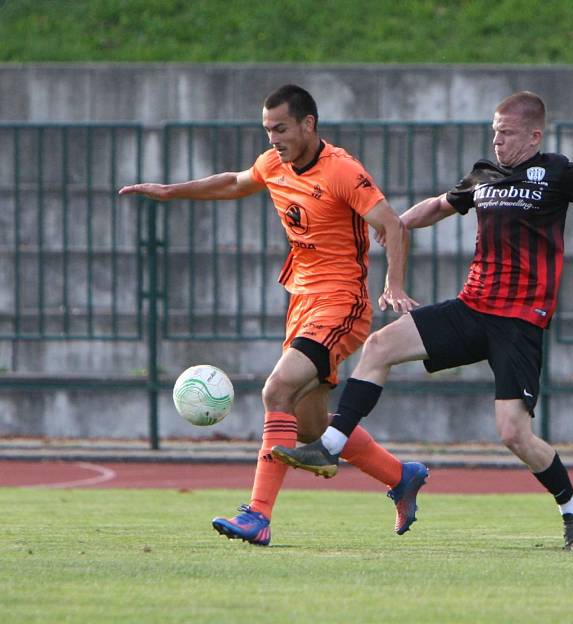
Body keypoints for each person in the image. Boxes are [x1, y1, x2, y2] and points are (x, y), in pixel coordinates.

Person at [272, 91, 573, 550]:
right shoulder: (485, 173)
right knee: (381, 346)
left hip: (519, 322)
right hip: (473, 308)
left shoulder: (558, 172)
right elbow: (439, 205)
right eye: (494, 131)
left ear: (533, 135)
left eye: (506, 132)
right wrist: (390, 223)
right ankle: (330, 446)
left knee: (513, 433)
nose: (497, 140)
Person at [119, 84, 428, 546]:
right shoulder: (273, 164)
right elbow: (234, 182)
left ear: (308, 124)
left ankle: (257, 516)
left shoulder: (342, 171)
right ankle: (400, 475)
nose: (273, 139)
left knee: (276, 389)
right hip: (302, 302)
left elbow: (392, 225)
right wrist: (171, 191)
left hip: (341, 302)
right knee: (310, 426)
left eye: (280, 128)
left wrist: (394, 284)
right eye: (267, 129)